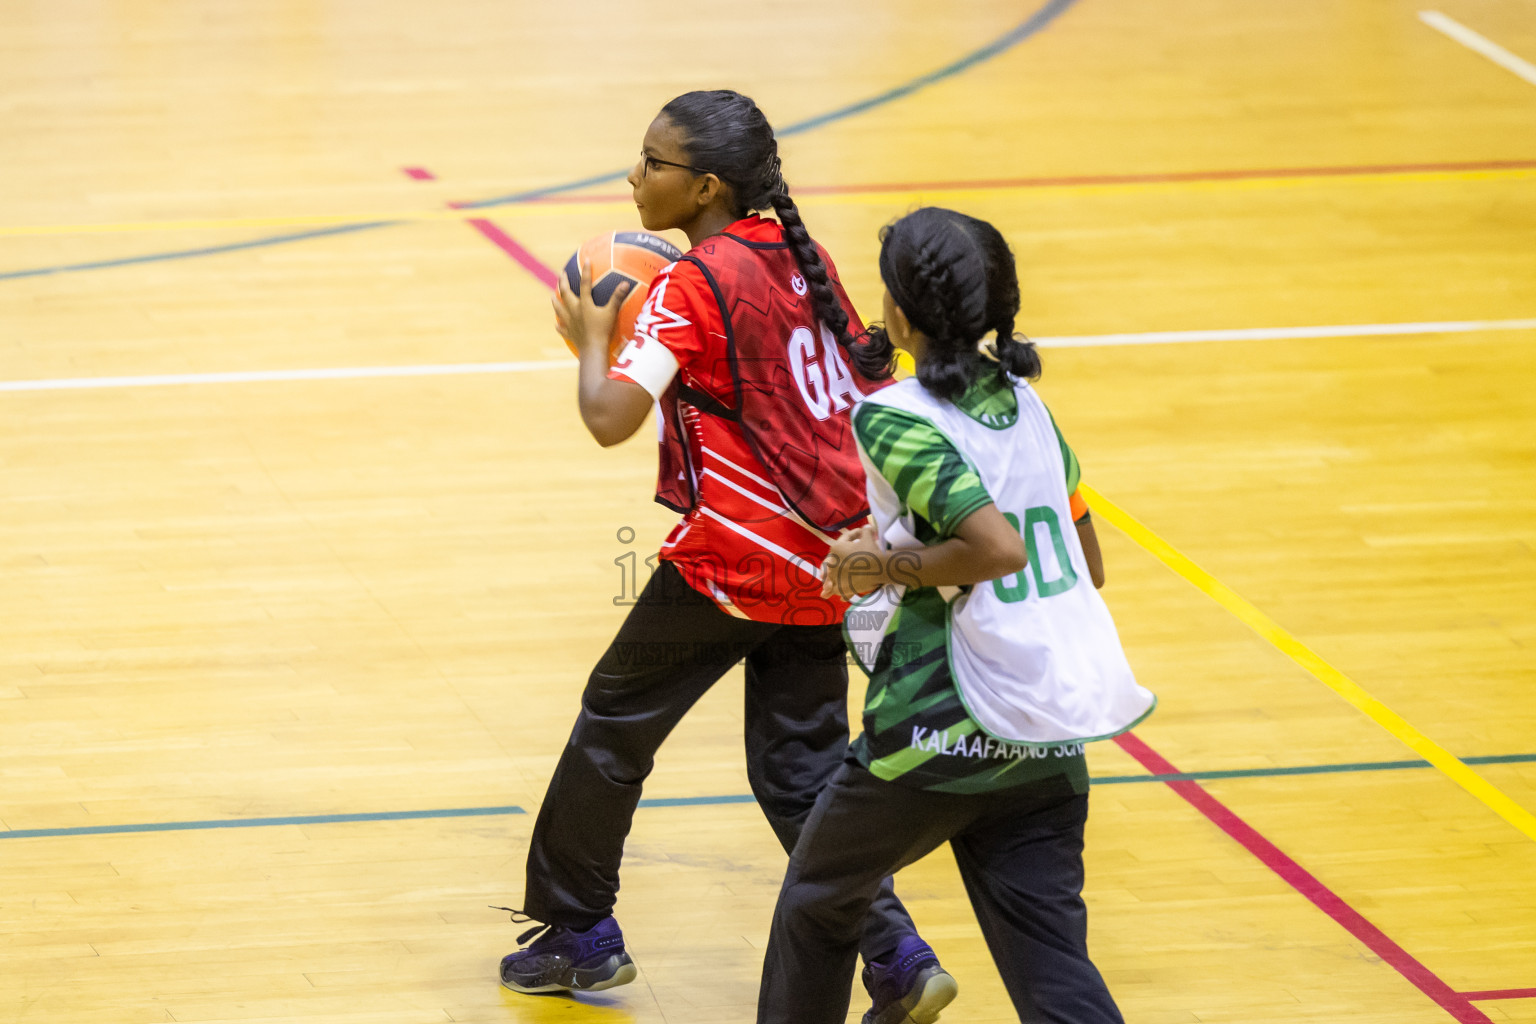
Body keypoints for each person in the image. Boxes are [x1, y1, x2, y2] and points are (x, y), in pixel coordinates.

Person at [498, 90, 954, 1021]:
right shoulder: (803, 255)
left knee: (612, 724)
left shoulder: (689, 285)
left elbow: (609, 419)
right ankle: (899, 956)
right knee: (800, 773)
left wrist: (592, 343)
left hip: (736, 559)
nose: (633, 177)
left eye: (652, 163)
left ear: (704, 186)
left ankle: (579, 933)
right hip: (831, 560)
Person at [756, 207, 1157, 1024]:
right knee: (1052, 966)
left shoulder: (895, 415)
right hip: (1044, 734)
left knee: (820, 902)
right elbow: (1088, 563)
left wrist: (880, 563)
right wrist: (911, 538)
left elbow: (996, 548)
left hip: (939, 731)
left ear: (899, 312)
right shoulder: (1032, 412)